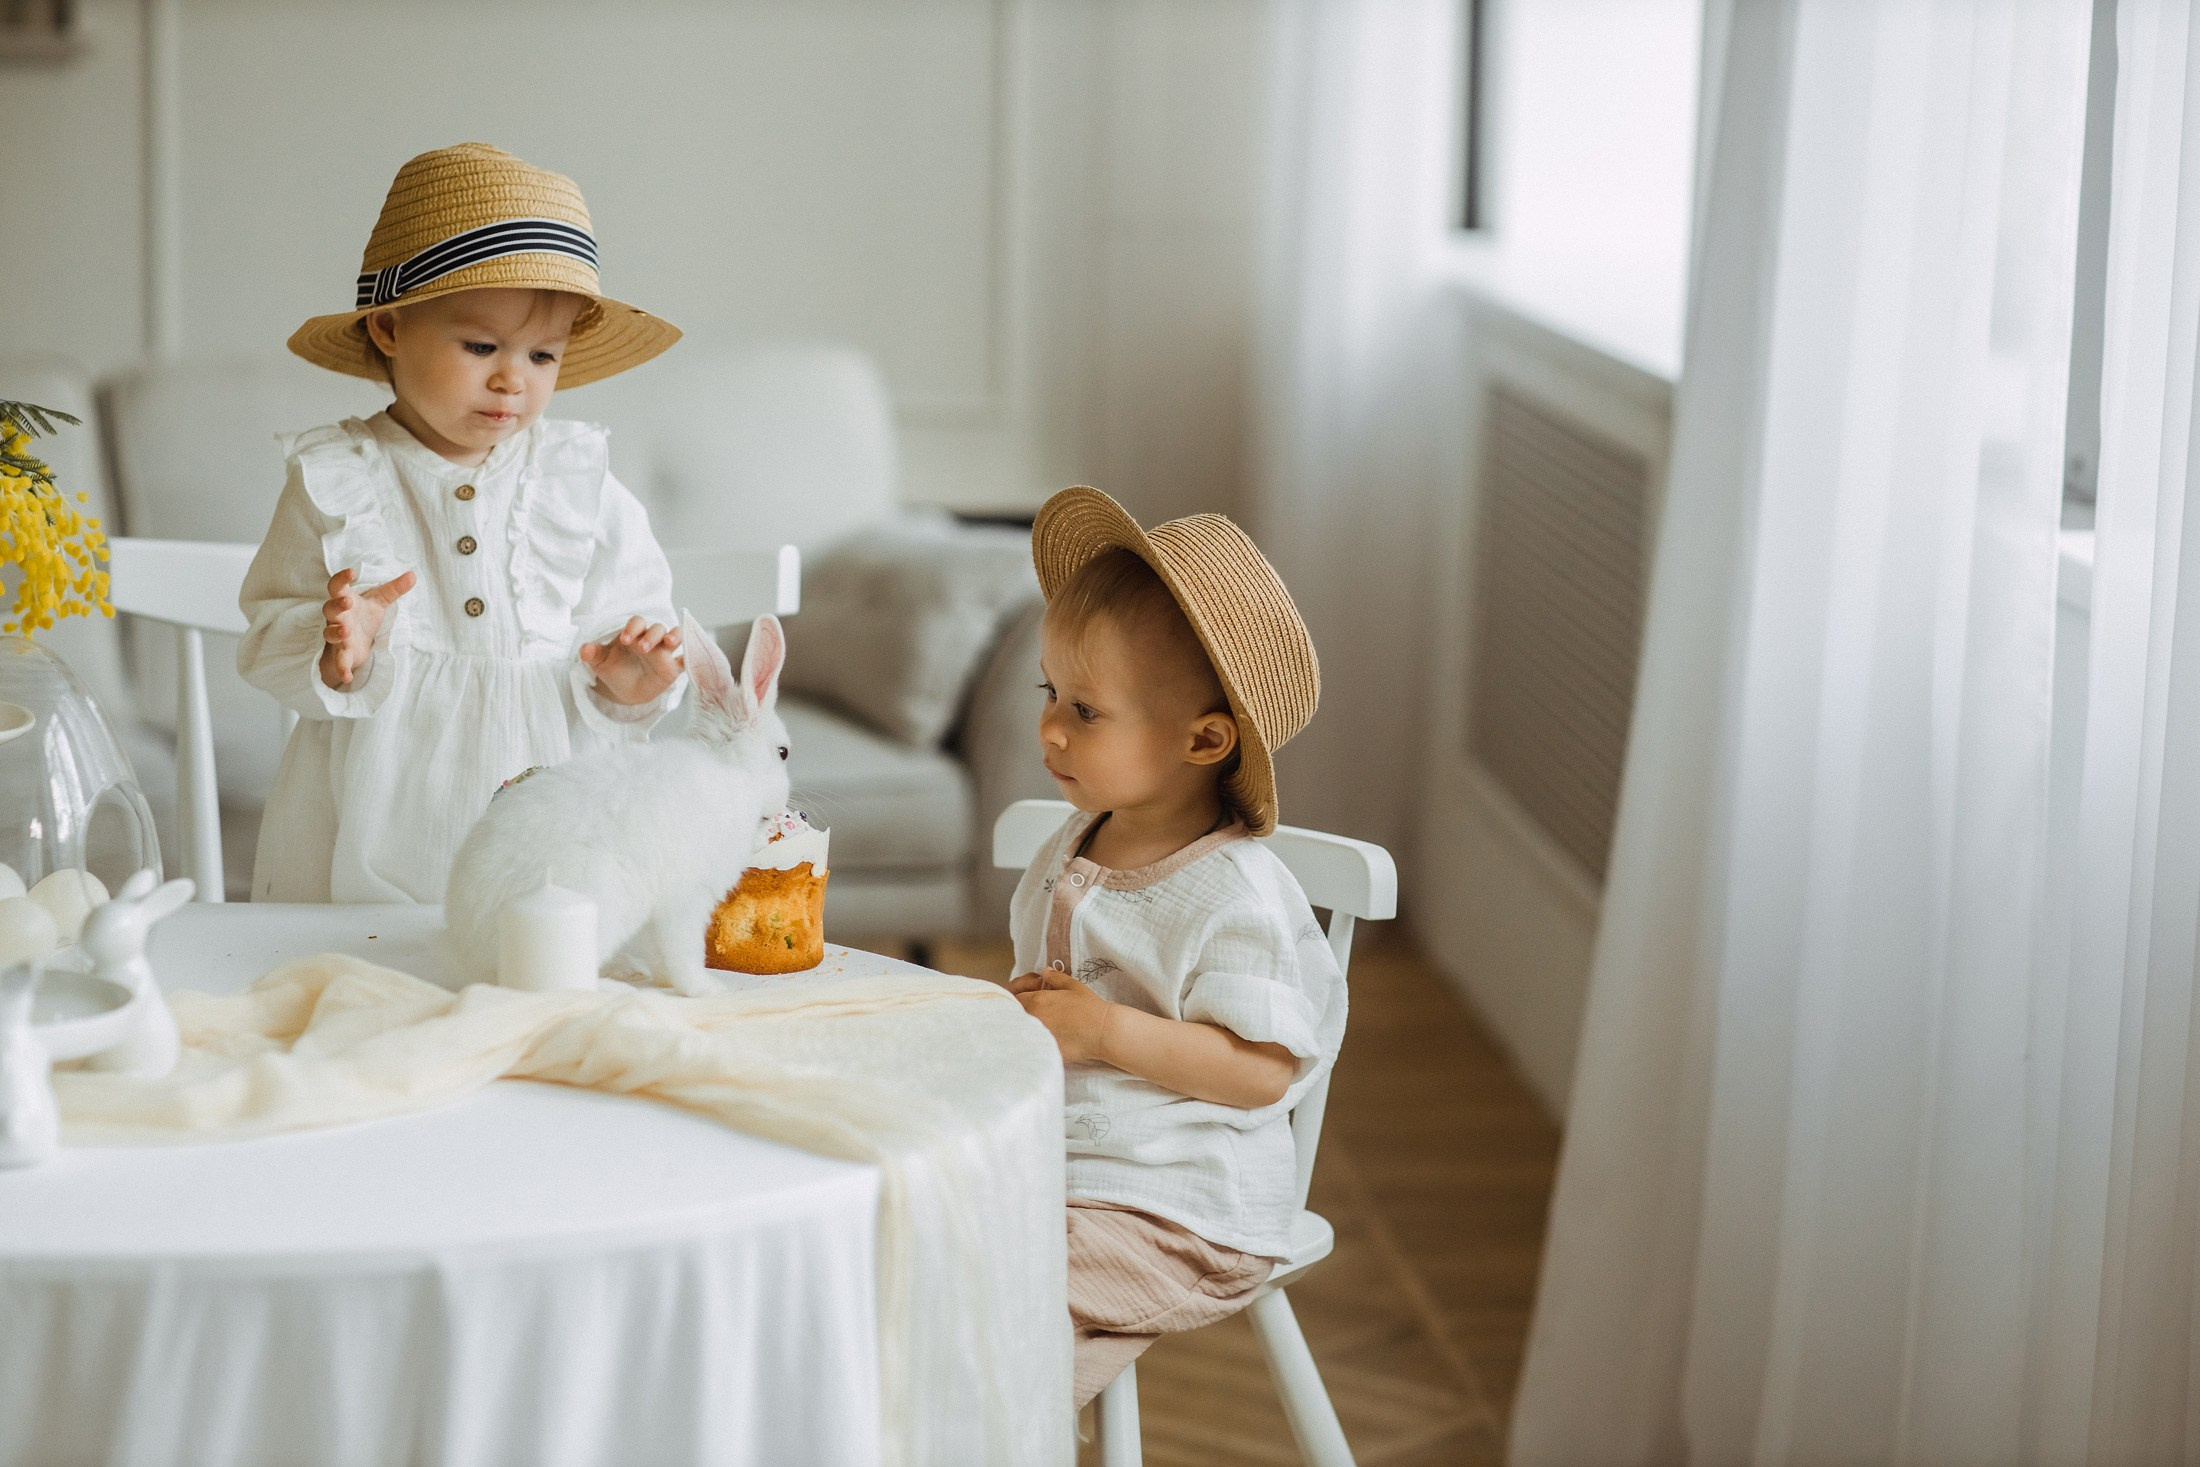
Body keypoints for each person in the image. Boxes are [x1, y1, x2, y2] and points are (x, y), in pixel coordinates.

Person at [237, 143, 687, 902]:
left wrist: (631, 680)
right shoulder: (337, 476)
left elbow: (630, 620)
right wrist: (337, 649)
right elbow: (267, 631)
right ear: (388, 328)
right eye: (481, 346)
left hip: (549, 821)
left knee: (542, 968)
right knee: (376, 980)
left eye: (543, 355)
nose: (514, 378)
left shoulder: (576, 480)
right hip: (375, 821)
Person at [1008, 486, 1345, 1407]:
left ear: (1202, 739)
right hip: (1074, 1170)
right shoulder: (1073, 842)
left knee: (1001, 1291)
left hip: (1185, 1200)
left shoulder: (1234, 893)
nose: (1049, 727)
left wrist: (1102, 1031)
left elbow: (1262, 1069)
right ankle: (981, 1407)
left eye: (1086, 709)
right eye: (1050, 692)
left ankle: (988, 1412)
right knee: (924, 1237)